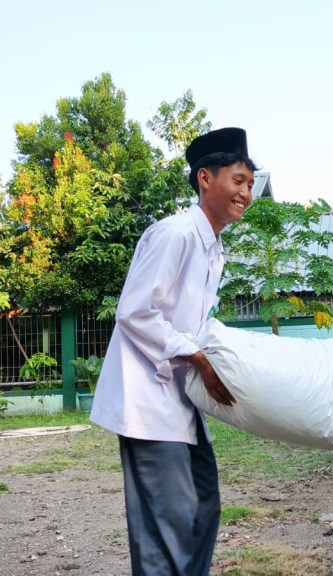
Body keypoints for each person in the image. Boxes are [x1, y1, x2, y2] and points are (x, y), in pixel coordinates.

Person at [90, 127, 256, 576]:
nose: (246, 192)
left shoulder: (213, 247)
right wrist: (198, 357)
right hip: (148, 399)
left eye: (250, 184)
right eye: (238, 181)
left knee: (203, 506)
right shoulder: (176, 233)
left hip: (181, 400)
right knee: (170, 520)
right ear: (206, 178)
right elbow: (136, 311)